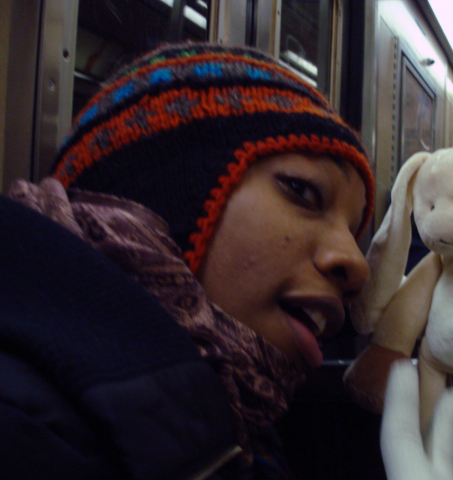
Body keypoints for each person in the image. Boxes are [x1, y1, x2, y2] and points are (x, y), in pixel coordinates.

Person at [0, 42, 379, 480]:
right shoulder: (24, 430)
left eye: (354, 230)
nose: (356, 264)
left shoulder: (245, 421)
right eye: (302, 191)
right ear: (162, 191)